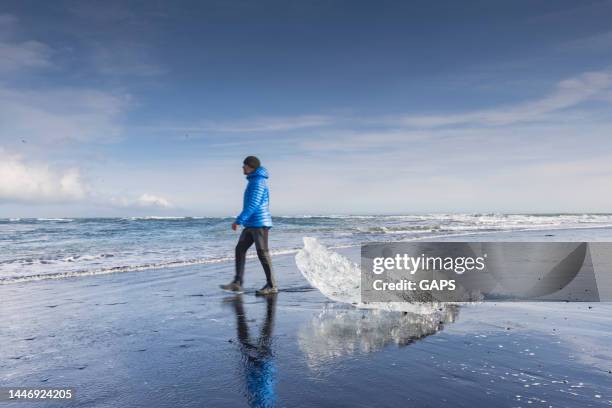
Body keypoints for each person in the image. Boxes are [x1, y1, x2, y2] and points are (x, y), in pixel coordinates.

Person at [221, 156, 278, 295]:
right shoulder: (253, 181)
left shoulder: (258, 182)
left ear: (251, 167)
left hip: (259, 223)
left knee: (262, 252)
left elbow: (253, 204)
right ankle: (237, 283)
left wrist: (239, 220)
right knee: (240, 249)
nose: (242, 168)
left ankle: (272, 285)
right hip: (251, 223)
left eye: (244, 165)